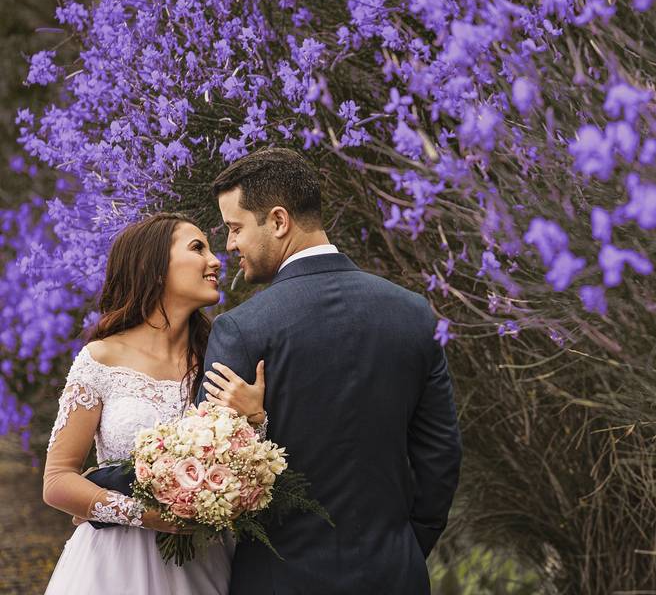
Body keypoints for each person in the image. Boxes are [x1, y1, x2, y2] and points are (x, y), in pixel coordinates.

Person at [197, 147, 462, 594]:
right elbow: (440, 456)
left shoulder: (241, 330)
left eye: (235, 228)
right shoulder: (413, 314)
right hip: (393, 574)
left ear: (279, 221)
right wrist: (408, 548)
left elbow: (214, 473)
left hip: (279, 579)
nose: (229, 245)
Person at [42, 213, 264, 594]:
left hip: (205, 564)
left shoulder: (220, 359)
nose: (215, 260)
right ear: (155, 268)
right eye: (198, 248)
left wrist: (256, 417)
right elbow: (57, 481)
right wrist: (147, 516)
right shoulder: (101, 359)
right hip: (114, 567)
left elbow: (256, 467)